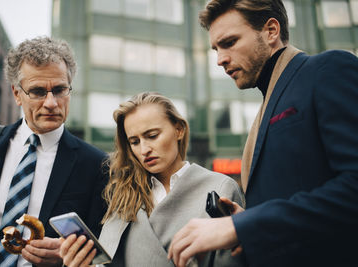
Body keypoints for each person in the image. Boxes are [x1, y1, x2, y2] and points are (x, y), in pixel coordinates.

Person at [168, 1, 358, 267]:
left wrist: (243, 225)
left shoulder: (328, 69)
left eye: (229, 42)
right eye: (216, 49)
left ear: (270, 31)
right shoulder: (266, 105)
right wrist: (249, 221)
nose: (220, 59)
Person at [0, 37, 107, 267]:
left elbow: (101, 252)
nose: (51, 103)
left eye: (59, 90)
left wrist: (66, 257)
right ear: (17, 94)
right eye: (38, 91)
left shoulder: (96, 165)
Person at [60, 92, 246, 267]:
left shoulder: (220, 187)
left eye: (152, 136)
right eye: (134, 141)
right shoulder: (124, 195)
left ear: (179, 130)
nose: (144, 149)